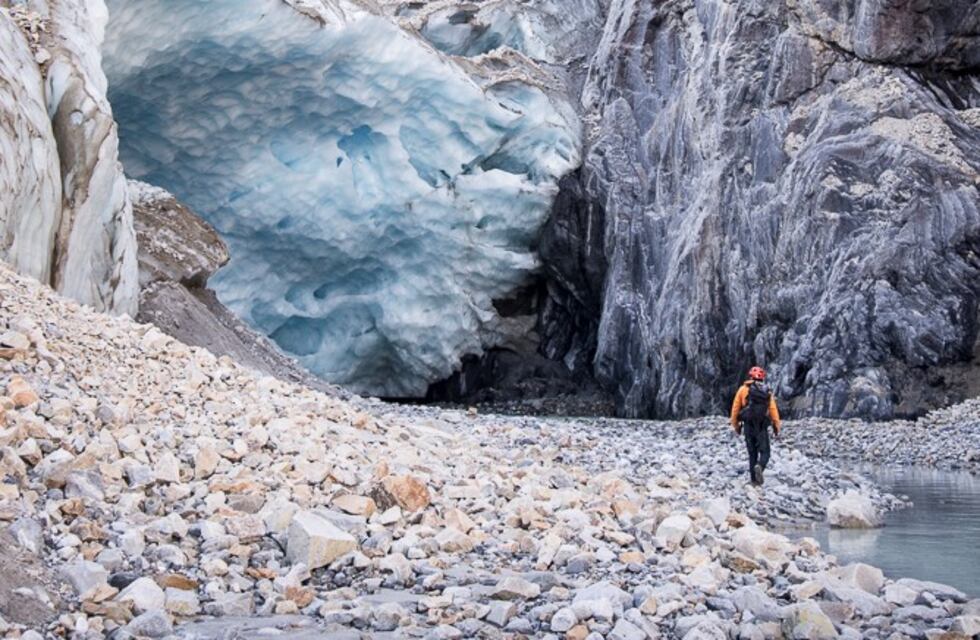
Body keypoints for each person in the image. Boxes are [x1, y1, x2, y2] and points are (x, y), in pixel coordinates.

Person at [730, 366, 781, 485]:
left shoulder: (743, 390)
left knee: (752, 453)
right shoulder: (766, 391)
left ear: (750, 376)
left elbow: (735, 409)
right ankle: (760, 466)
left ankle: (754, 481)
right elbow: (773, 410)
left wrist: (736, 426)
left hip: (748, 425)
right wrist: (776, 427)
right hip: (761, 426)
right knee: (765, 452)